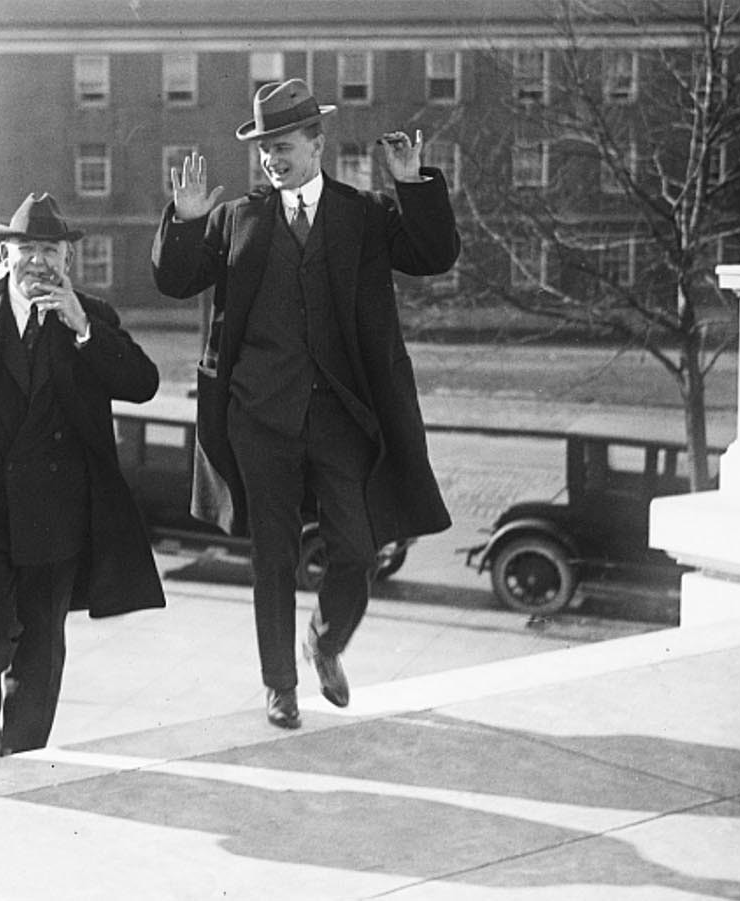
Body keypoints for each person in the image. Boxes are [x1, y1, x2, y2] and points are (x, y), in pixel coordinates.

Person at [152, 78, 460, 729]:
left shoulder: (365, 215)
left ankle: (323, 640)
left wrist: (412, 182)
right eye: (264, 150)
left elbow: (435, 254)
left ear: (316, 143)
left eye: (283, 145)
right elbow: (175, 281)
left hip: (340, 416)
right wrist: (182, 218)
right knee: (272, 557)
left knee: (355, 548)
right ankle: (280, 686)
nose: (272, 159)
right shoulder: (237, 219)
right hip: (259, 418)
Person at [0, 193, 165, 760]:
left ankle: (22, 755)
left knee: (42, 645)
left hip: (58, 513)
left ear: (67, 259)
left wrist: (85, 329)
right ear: (6, 252)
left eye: (51, 250)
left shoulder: (91, 315)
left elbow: (143, 383)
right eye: (28, 249)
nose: (40, 262)